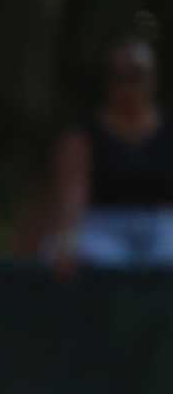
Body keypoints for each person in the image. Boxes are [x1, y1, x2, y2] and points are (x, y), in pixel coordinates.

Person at [52, 37, 173, 270]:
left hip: (164, 228)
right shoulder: (83, 135)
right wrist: (66, 239)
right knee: (82, 255)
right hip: (103, 229)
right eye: (119, 76)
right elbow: (72, 193)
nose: (128, 86)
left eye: (137, 75)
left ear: (153, 77)